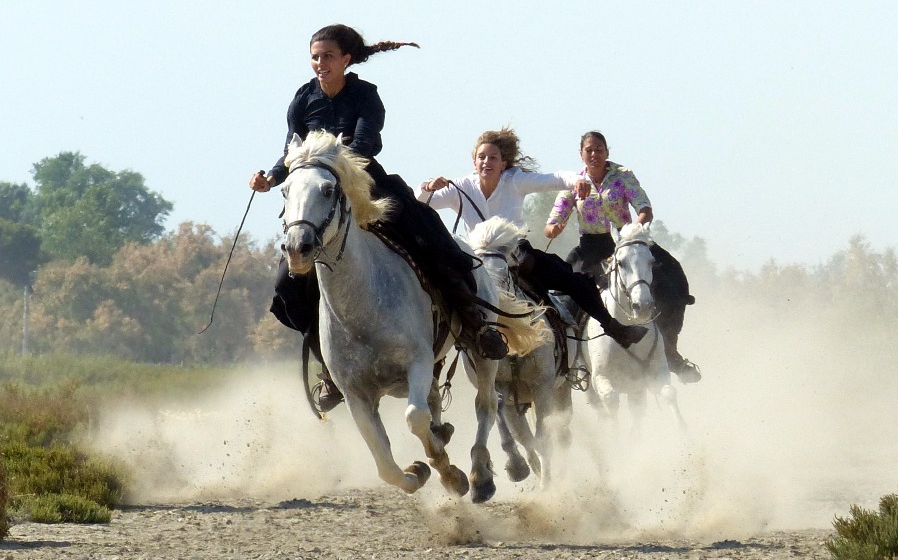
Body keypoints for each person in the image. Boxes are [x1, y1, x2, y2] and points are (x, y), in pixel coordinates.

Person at [250, 25, 508, 411]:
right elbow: (292, 150)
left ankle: (473, 323)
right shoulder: (303, 99)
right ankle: (332, 369)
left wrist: (328, 164)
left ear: (346, 59)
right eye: (315, 57)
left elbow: (365, 144)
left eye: (328, 56)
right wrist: (271, 176)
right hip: (320, 205)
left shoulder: (366, 95)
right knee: (287, 287)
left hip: (370, 187)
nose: (321, 64)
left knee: (434, 241)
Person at [416, 128, 647, 349]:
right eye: (482, 157)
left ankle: (615, 329)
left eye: (493, 157)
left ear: (503, 164)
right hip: (476, 260)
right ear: (474, 163)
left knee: (575, 280)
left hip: (516, 253)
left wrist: (577, 180)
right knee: (438, 289)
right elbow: (421, 201)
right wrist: (427, 187)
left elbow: (553, 178)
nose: (487, 162)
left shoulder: (515, 180)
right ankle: (434, 360)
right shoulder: (460, 187)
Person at [543, 130, 701, 384]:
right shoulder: (575, 183)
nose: (594, 154)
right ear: (581, 154)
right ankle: (572, 362)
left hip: (628, 242)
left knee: (671, 283)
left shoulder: (622, 176)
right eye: (589, 150)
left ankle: (669, 352)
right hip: (591, 249)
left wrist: (633, 231)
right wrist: (555, 228)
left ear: (607, 152)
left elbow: (644, 209)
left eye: (599, 149)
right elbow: (553, 222)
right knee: (563, 299)